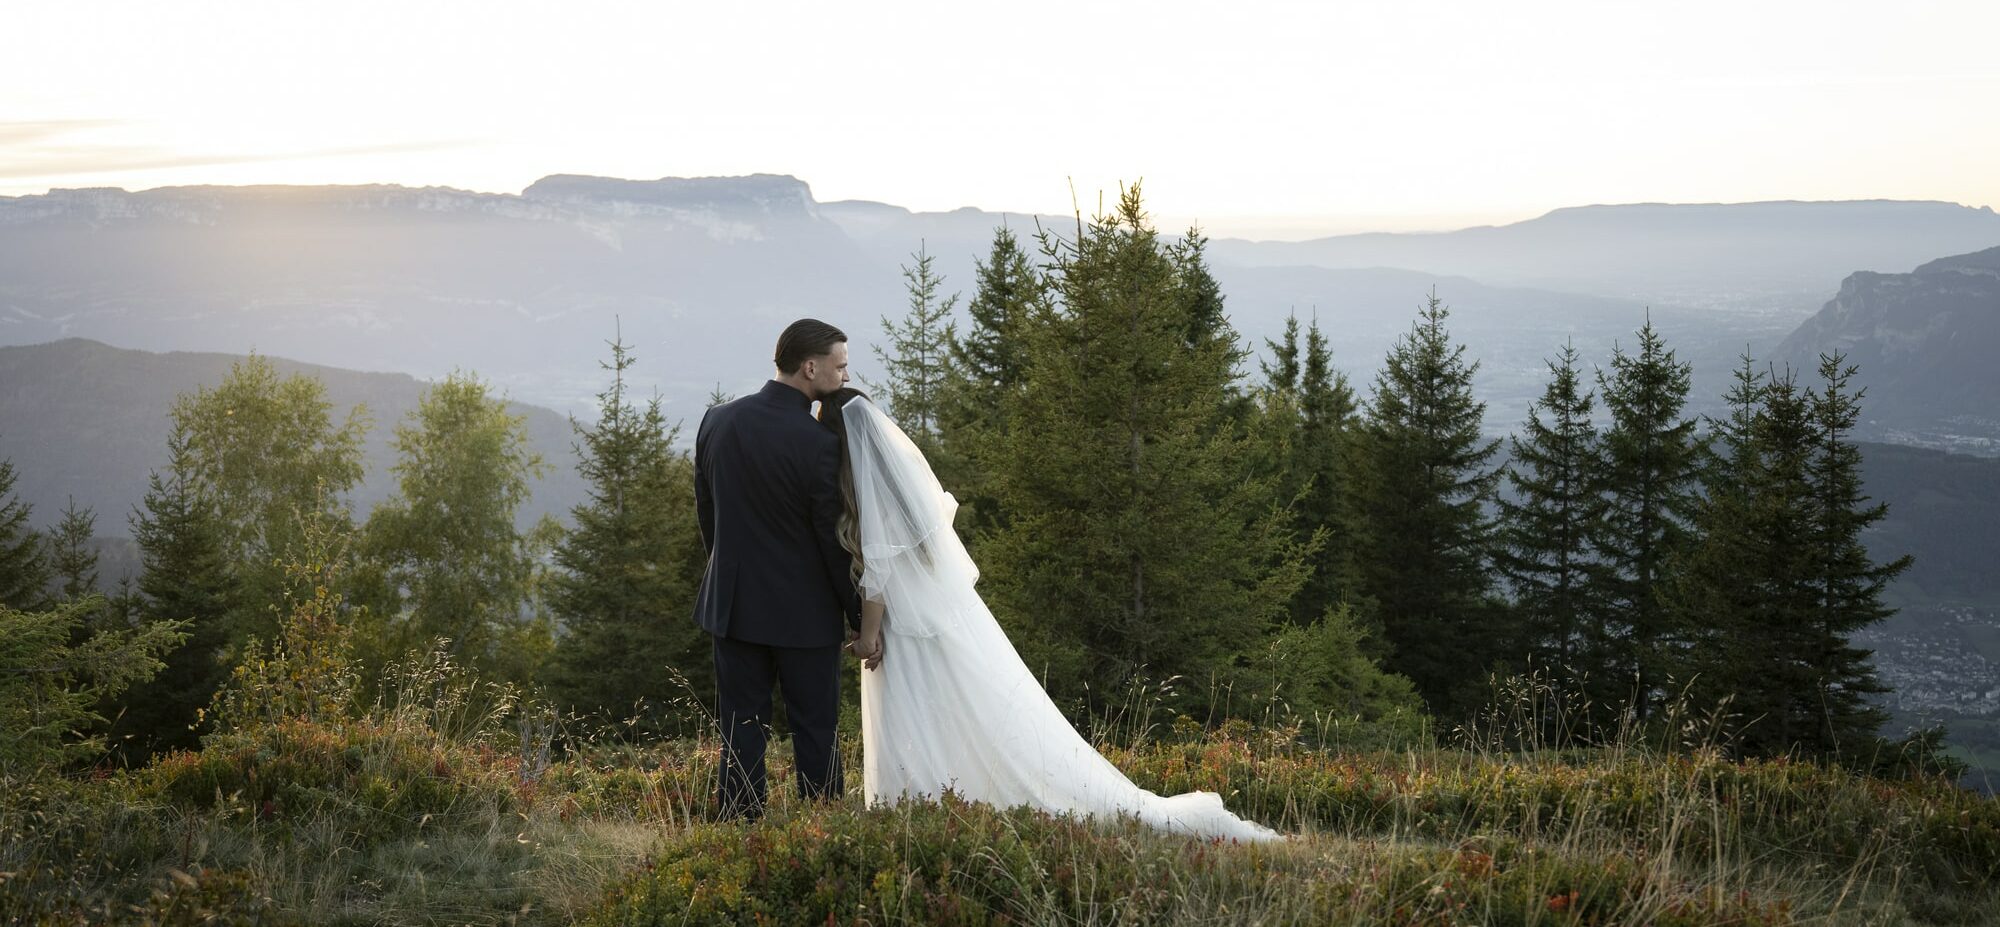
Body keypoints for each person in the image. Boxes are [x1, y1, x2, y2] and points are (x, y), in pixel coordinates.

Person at [818, 385, 1286, 844]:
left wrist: (866, 638)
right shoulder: (900, 489)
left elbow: (877, 576)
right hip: (942, 623)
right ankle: (941, 806)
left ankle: (918, 813)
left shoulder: (866, 495)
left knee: (924, 717)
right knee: (965, 714)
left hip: (907, 633)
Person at [692, 318, 866, 821]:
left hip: (732, 603)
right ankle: (821, 827)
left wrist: (726, 575)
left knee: (740, 726)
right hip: (803, 615)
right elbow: (833, 543)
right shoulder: (820, 444)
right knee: (815, 728)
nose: (846, 373)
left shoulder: (716, 421)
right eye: (841, 365)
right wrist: (858, 613)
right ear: (811, 368)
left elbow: (710, 518)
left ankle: (739, 827)